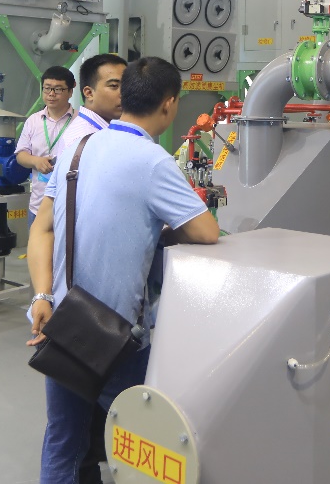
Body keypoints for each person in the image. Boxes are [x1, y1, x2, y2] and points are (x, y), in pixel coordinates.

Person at [26, 57, 220, 484]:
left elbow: (42, 228)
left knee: (64, 439)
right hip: (117, 335)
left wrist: (42, 295)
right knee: (143, 441)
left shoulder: (78, 149)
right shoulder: (153, 161)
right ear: (169, 104)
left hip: (65, 320)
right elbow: (207, 231)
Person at [29, 53, 125, 484]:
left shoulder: (97, 135)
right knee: (69, 428)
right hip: (80, 306)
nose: (123, 94)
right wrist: (44, 294)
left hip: (77, 300)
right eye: (114, 85)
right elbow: (45, 227)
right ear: (88, 92)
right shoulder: (86, 141)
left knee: (79, 423)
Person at [16, 67, 77, 229]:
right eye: (47, 88)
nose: (51, 94)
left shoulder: (80, 122)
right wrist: (36, 161)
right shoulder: (33, 121)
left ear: (71, 91)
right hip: (38, 205)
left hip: (70, 205)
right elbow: (21, 154)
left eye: (58, 89)